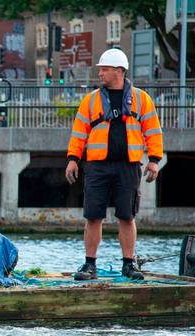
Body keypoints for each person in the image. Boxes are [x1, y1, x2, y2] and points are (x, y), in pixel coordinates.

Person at [65, 48, 164, 281]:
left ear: (119, 71)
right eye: (100, 69)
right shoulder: (90, 101)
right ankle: (90, 265)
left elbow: (153, 131)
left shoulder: (142, 99)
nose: (100, 73)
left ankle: (129, 265)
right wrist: (72, 159)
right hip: (97, 166)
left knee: (127, 216)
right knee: (92, 216)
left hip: (128, 166)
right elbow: (79, 132)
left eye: (105, 69)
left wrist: (154, 160)